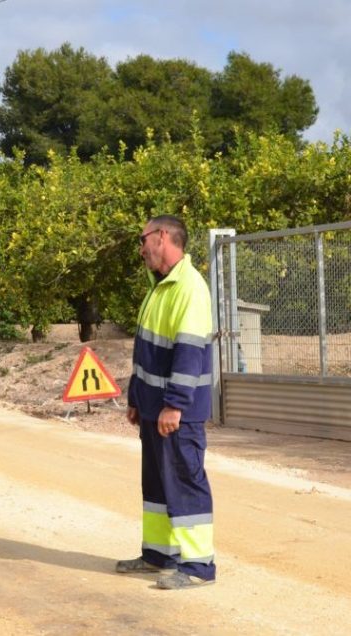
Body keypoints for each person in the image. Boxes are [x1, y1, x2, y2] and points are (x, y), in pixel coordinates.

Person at [116, 214, 216, 590]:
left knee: (186, 482)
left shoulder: (188, 287)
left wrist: (174, 405)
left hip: (177, 412)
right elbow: (148, 352)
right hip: (153, 408)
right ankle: (158, 555)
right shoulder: (160, 285)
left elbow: (189, 354)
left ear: (161, 237)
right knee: (157, 484)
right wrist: (136, 397)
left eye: (142, 240)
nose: (140, 249)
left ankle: (198, 566)